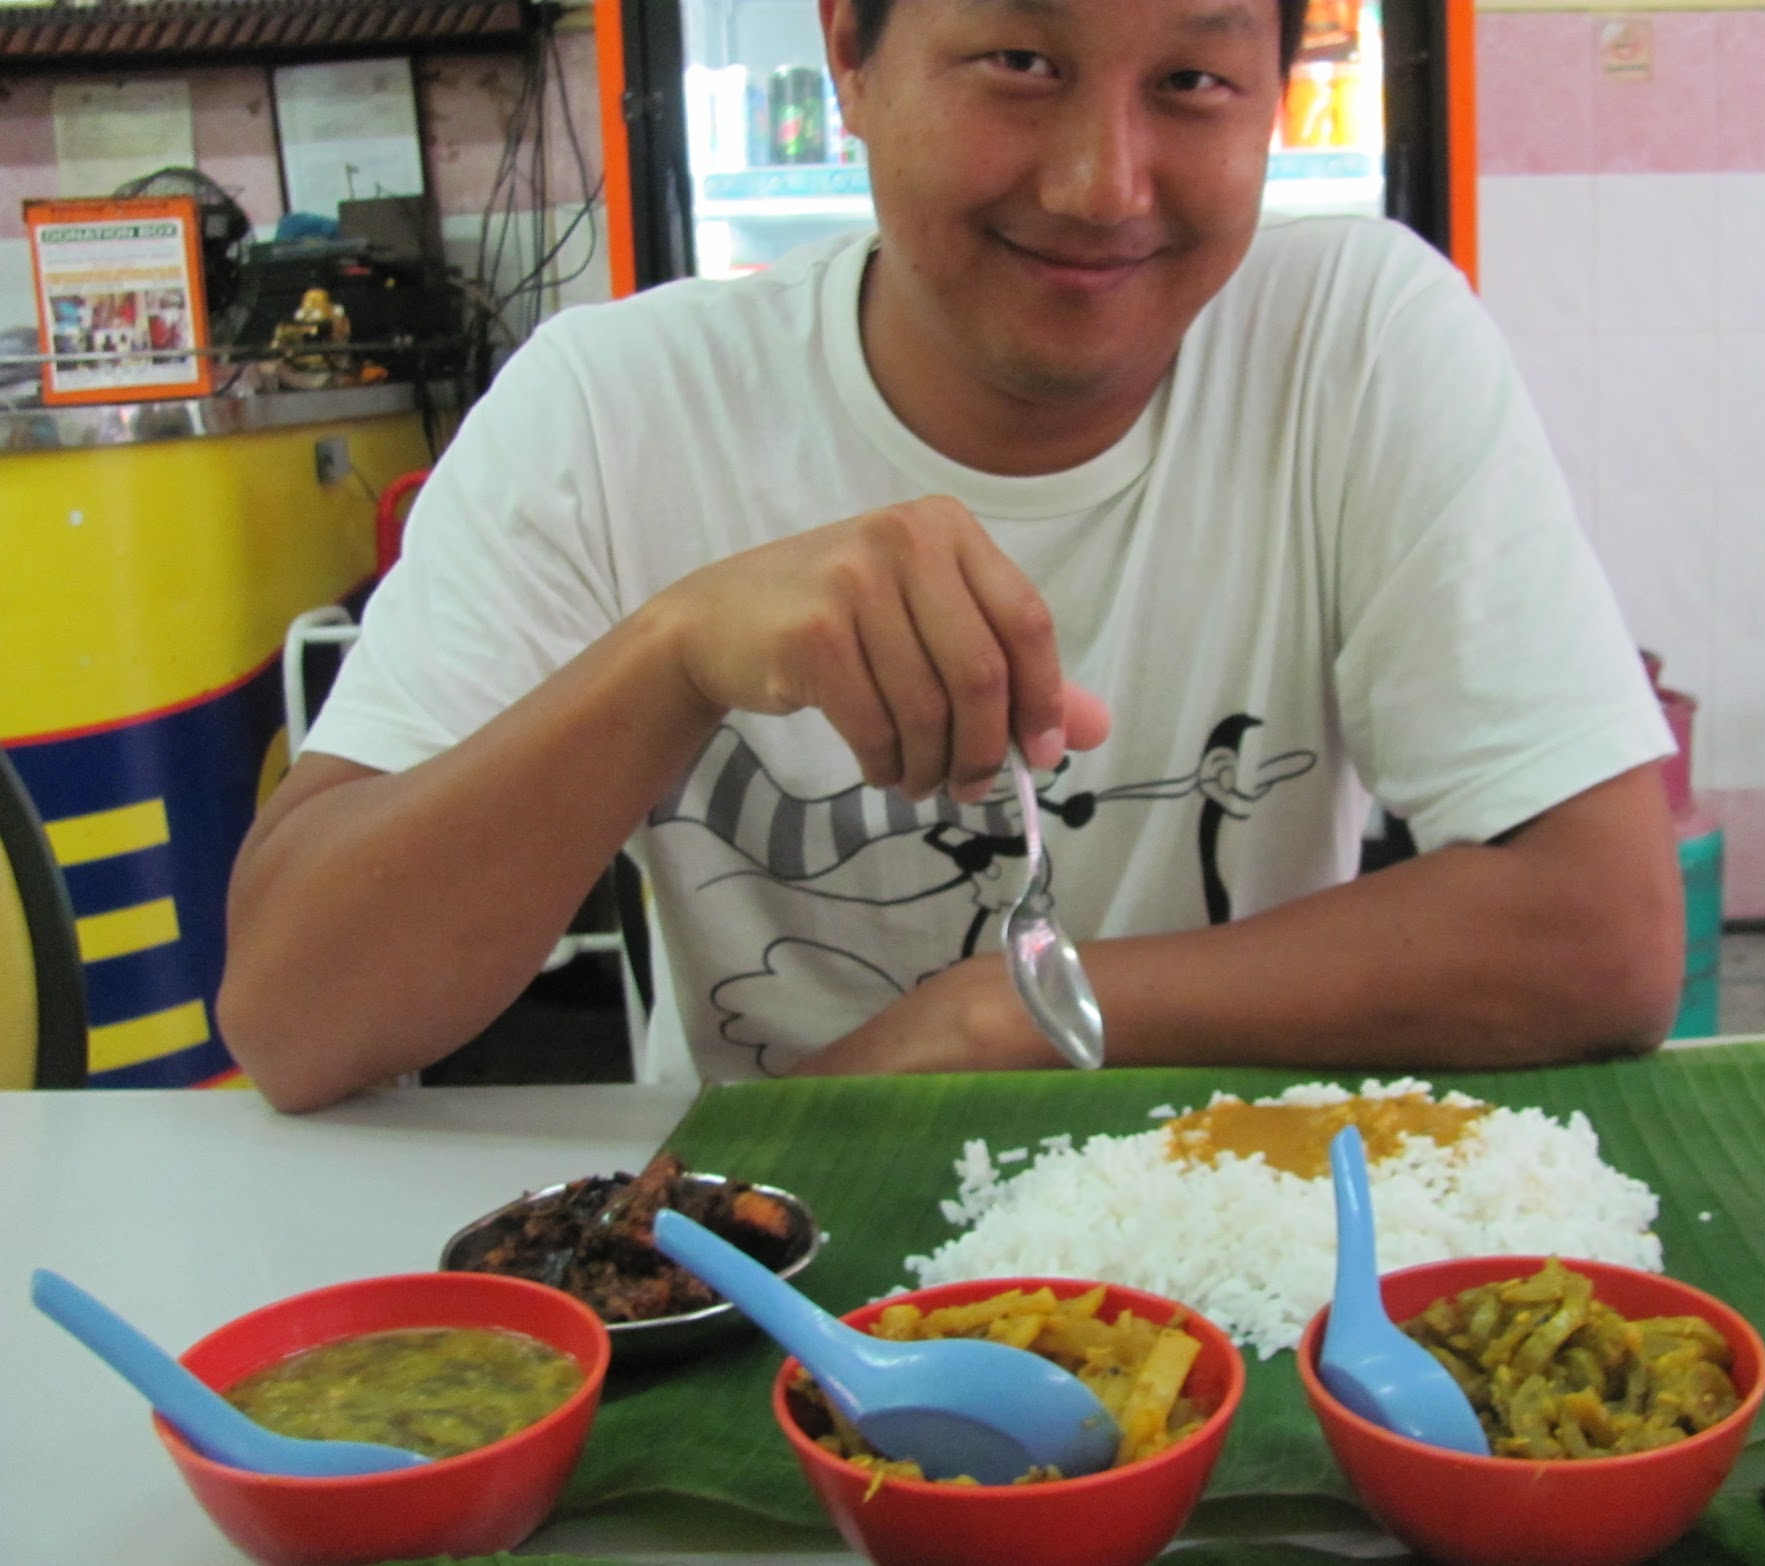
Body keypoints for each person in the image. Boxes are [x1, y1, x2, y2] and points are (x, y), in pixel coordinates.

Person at [218, 0, 1683, 1113]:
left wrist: (1001, 1013)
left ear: (1276, 98)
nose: (1104, 184)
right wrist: (674, 652)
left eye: (1192, 81)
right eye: (1020, 63)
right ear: (849, 57)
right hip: (778, 1286)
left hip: (1234, 1250)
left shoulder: (1354, 344)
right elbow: (295, 1018)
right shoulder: (608, 408)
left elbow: (1604, 934)